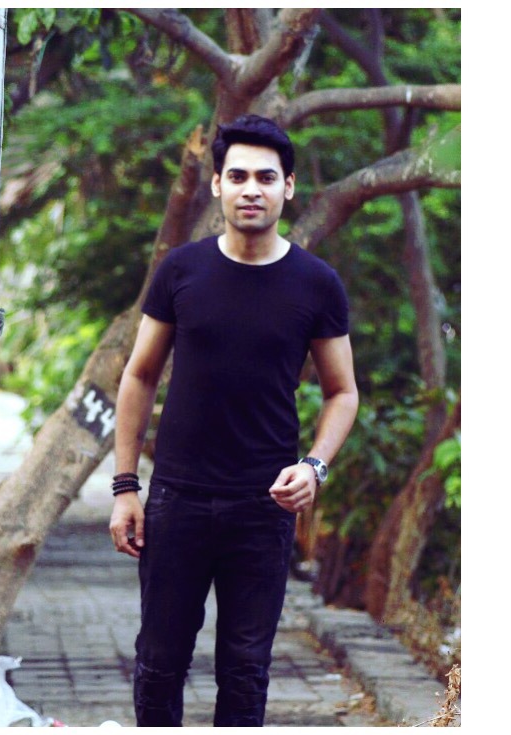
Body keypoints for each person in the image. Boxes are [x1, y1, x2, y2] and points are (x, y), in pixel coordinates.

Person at [109, 114, 359, 727]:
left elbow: (343, 392)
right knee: (159, 662)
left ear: (288, 188)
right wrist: (125, 487)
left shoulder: (317, 283)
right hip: (178, 499)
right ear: (217, 184)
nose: (252, 189)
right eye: (239, 175)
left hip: (264, 505)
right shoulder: (181, 271)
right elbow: (139, 376)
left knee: (246, 669)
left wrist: (315, 467)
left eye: (266, 178)